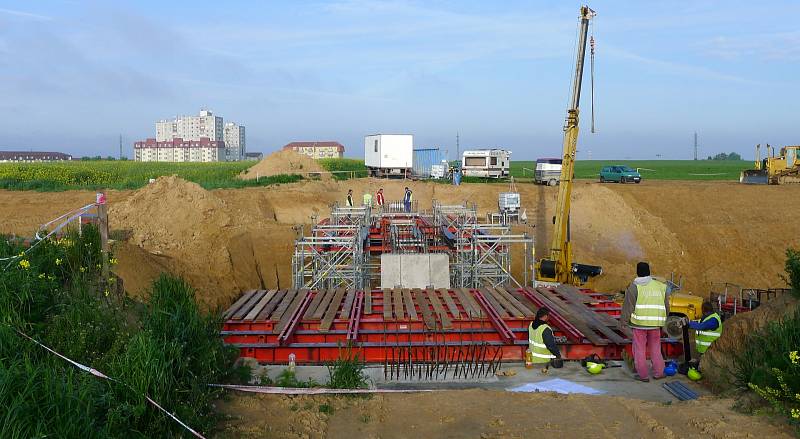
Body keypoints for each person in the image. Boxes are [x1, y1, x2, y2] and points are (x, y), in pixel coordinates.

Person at [620, 261, 668, 382]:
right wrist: (662, 320)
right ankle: (659, 372)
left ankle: (643, 375)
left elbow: (628, 307)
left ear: (637, 272)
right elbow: (667, 307)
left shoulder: (634, 287)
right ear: (649, 272)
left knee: (639, 349)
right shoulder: (660, 286)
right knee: (656, 349)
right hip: (656, 325)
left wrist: (623, 322)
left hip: (639, 325)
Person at [528, 307, 562, 373]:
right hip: (544, 362)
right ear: (546, 316)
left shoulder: (531, 324)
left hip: (532, 359)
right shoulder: (545, 329)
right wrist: (558, 355)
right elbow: (551, 346)